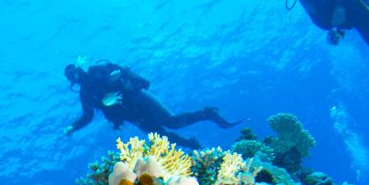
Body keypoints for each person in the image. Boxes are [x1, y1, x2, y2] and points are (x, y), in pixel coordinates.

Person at [62, 62, 241, 149]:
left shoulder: (100, 69)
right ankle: (192, 144)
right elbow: (88, 116)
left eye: (77, 72)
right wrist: (73, 127)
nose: (78, 77)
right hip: (133, 116)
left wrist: (113, 80)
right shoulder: (85, 94)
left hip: (140, 99)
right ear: (73, 81)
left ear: (81, 68)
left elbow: (124, 73)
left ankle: (208, 114)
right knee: (162, 138)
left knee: (172, 121)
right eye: (74, 76)